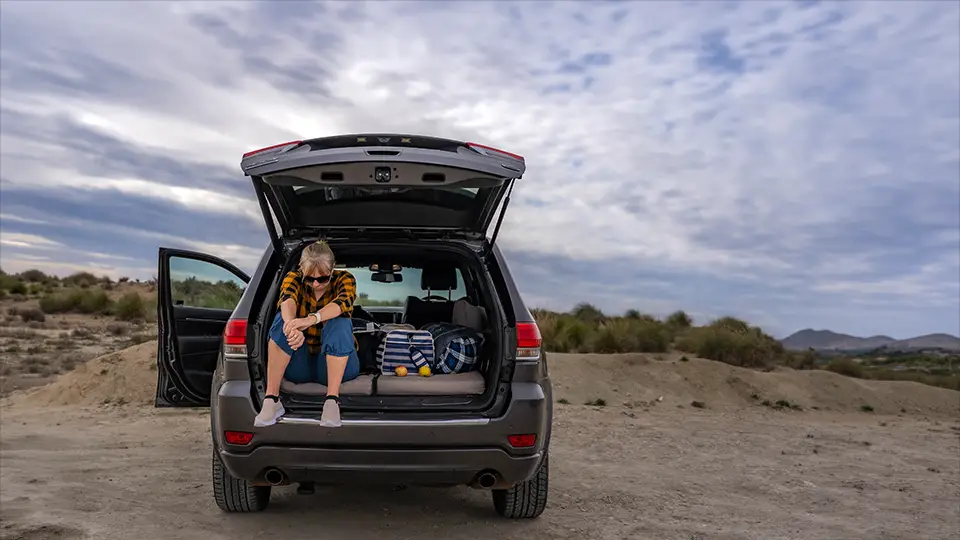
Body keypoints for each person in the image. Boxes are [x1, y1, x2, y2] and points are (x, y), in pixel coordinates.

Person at [254, 240, 359, 428]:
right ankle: (271, 399)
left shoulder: (345, 279)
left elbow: (342, 303)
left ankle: (332, 401)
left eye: (323, 278)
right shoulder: (292, 278)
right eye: (310, 278)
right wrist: (292, 327)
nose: (316, 284)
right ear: (302, 270)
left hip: (335, 367)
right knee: (280, 321)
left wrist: (310, 319)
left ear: (332, 270)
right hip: (300, 364)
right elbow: (287, 300)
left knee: (340, 320)